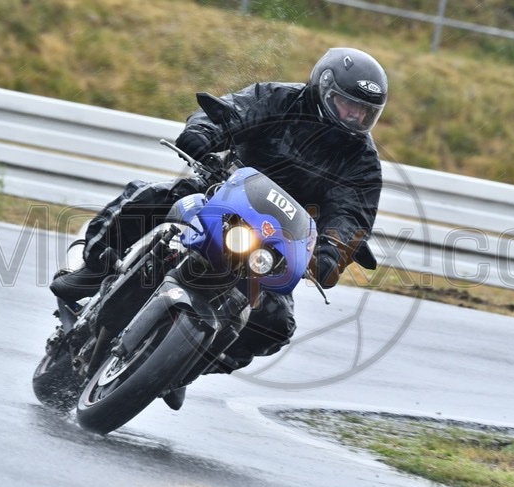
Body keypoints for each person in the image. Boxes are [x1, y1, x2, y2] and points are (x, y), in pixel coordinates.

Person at [51, 47, 388, 410]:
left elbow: (352, 213)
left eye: (364, 111)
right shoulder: (278, 99)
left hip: (275, 244)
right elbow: (231, 111)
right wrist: (203, 132)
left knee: (276, 324)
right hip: (221, 194)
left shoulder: (362, 160)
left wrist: (333, 250)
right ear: (323, 88)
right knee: (153, 197)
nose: (355, 116)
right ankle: (93, 268)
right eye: (347, 104)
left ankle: (180, 367)